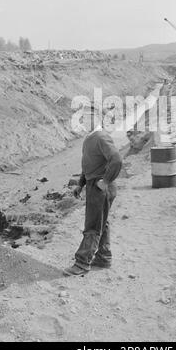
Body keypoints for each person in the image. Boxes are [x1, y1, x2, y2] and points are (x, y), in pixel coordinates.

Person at [63, 105, 122, 276]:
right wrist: (80, 184)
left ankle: (82, 263)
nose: (85, 121)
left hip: (100, 187)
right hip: (93, 184)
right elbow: (88, 165)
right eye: (83, 118)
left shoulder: (101, 137)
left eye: (89, 117)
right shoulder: (90, 138)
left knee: (93, 225)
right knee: (101, 221)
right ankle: (103, 257)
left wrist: (106, 181)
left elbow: (116, 160)